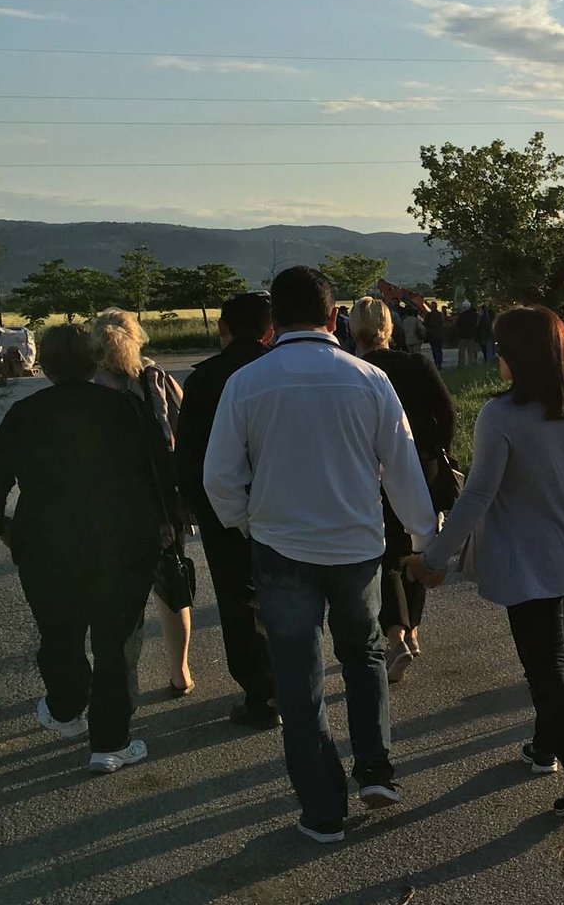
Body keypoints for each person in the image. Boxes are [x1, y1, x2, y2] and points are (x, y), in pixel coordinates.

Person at [204, 267, 437, 844]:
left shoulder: (248, 384)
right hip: (357, 545)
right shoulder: (369, 379)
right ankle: (376, 767)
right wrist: (424, 537)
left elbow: (219, 478)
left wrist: (245, 522)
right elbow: (402, 465)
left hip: (280, 546)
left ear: (274, 323)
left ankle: (322, 810)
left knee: (298, 674)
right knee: (363, 656)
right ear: (333, 318)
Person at [408, 306, 564, 820]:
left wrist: (432, 558)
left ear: (519, 357)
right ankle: (544, 748)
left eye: (502, 348)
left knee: (545, 670)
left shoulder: (500, 416)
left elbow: (479, 494)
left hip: (527, 564)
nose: (498, 355)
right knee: (556, 665)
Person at [0, 324, 172, 773]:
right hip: (125, 539)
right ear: (94, 362)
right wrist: (168, 519)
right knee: (117, 638)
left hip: (47, 542)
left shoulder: (26, 412)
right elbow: (159, 466)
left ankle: (66, 709)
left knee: (59, 630)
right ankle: (110, 743)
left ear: (43, 365)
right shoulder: (124, 407)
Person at [175, 291, 279, 729]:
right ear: (270, 330)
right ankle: (296, 680)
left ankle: (260, 694)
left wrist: (194, 506)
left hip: (222, 508)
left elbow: (189, 455)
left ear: (223, 328)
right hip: (283, 503)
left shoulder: (205, 379)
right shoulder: (280, 372)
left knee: (239, 601)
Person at [349, 296, 457, 684]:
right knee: (418, 545)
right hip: (422, 465)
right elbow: (447, 412)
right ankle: (413, 629)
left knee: (386, 552)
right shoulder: (416, 364)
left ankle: (395, 632)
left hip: (370, 469)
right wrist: (434, 448)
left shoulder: (353, 370)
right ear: (389, 326)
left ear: (351, 328)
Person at [91, 308, 194, 697]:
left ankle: (121, 681)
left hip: (113, 505)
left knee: (119, 595)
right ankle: (180, 670)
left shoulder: (92, 389)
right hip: (164, 502)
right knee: (172, 586)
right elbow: (185, 432)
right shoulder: (159, 378)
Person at [453, 301, 481, 368]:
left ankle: (461, 364)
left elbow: (457, 324)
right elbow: (477, 324)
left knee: (462, 351)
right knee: (471, 351)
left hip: (463, 335)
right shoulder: (475, 314)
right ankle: (472, 363)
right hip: (471, 335)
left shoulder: (461, 315)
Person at [423, 303, 448, 370]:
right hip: (439, 334)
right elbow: (443, 322)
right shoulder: (440, 314)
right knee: (439, 349)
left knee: (435, 349)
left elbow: (425, 324)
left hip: (432, 335)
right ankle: (439, 363)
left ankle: (437, 363)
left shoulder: (429, 315)